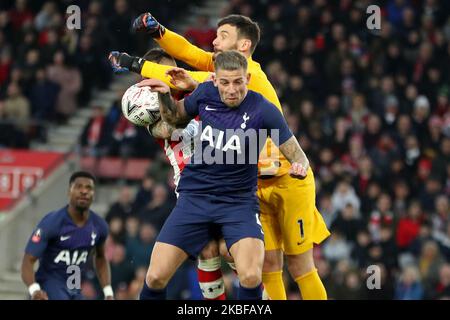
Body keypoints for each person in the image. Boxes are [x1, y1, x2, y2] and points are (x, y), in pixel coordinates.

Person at [109, 13, 330, 300]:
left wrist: (133, 64)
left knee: (300, 266)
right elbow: (190, 56)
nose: (214, 41)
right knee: (266, 266)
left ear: (243, 46)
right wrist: (158, 31)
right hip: (246, 187)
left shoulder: (248, 82)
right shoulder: (210, 89)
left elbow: (193, 78)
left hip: (287, 181)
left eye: (222, 35)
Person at [138, 50, 310, 300]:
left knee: (251, 275)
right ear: (215, 81)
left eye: (238, 82)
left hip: (238, 203)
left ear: (247, 79)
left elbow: (299, 156)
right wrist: (165, 96)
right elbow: (175, 119)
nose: (232, 90)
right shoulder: (205, 94)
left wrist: (299, 167)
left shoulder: (264, 110)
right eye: (226, 82)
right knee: (154, 277)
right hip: (194, 199)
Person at [21, 171, 113, 300]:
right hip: (48, 289)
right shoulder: (52, 222)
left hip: (74, 288)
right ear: (69, 192)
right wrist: (34, 290)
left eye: (89, 188)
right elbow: (28, 260)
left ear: (94, 194)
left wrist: (108, 292)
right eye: (78, 187)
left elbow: (101, 258)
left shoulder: (99, 226)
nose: (84, 191)